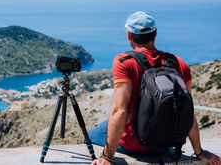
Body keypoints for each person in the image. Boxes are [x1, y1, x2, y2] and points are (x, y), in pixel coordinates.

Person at [89, 11, 221, 165]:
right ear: (155, 33)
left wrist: (107, 157)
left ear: (128, 36)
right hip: (165, 144)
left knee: (92, 134)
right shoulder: (179, 63)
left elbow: (120, 111)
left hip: (134, 145)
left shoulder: (124, 62)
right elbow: (186, 110)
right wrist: (199, 151)